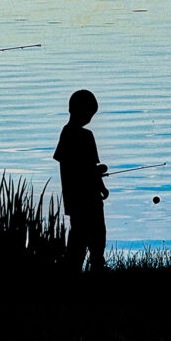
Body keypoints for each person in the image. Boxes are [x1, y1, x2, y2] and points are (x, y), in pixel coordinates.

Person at [54, 89, 109, 272]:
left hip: (73, 198)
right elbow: (91, 169)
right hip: (89, 198)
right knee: (97, 237)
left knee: (77, 238)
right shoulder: (86, 136)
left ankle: (73, 269)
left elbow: (68, 166)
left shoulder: (65, 133)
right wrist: (102, 186)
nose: (90, 119)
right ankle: (96, 267)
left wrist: (95, 174)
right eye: (90, 114)